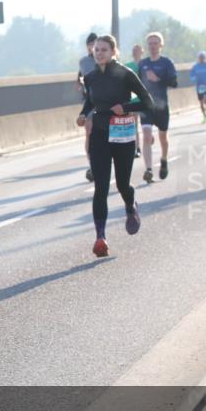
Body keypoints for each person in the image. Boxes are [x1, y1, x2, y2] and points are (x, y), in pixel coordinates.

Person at [76, 35, 154, 257]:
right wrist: (83, 114)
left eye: (104, 50)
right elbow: (90, 100)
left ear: (113, 52)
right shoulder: (90, 77)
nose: (99, 53)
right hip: (100, 134)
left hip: (122, 134)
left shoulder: (125, 74)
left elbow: (147, 101)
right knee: (101, 186)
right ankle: (100, 237)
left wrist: (126, 105)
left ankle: (131, 206)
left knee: (121, 184)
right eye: (97, 50)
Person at [137, 32, 177, 182]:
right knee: (146, 135)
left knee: (163, 137)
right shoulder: (143, 63)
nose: (152, 46)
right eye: (150, 43)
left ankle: (164, 160)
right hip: (146, 106)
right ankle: (148, 170)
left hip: (161, 106)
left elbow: (174, 83)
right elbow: (137, 84)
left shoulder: (167, 63)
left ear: (161, 45)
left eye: (155, 43)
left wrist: (158, 79)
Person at [77, 32, 98, 182]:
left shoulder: (108, 60)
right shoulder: (84, 62)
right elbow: (81, 77)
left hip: (107, 102)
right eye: (91, 45)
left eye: (96, 45)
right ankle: (92, 165)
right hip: (90, 101)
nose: (94, 48)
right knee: (89, 133)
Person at [124, 44, 144, 158]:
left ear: (142, 52)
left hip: (145, 99)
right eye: (134, 50)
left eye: (138, 50)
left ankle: (146, 141)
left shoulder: (145, 64)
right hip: (134, 99)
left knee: (146, 125)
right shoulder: (128, 66)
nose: (136, 52)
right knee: (134, 125)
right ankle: (136, 148)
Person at [189, 50, 206, 123]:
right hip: (199, 87)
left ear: (205, 57)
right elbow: (191, 75)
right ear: (198, 58)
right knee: (201, 103)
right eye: (200, 57)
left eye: (203, 57)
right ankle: (204, 116)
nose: (202, 58)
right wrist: (193, 78)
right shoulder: (195, 66)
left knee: (205, 98)